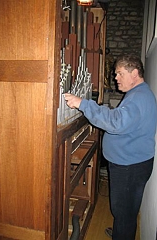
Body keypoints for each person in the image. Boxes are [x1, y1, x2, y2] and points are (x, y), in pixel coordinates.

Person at [64, 54, 157, 240]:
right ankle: (121, 232)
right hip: (131, 163)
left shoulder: (138, 97)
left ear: (135, 73)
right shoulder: (139, 94)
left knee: (123, 212)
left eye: (120, 74)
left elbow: (116, 122)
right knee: (125, 211)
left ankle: (121, 234)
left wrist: (83, 103)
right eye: (116, 74)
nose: (116, 78)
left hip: (130, 167)